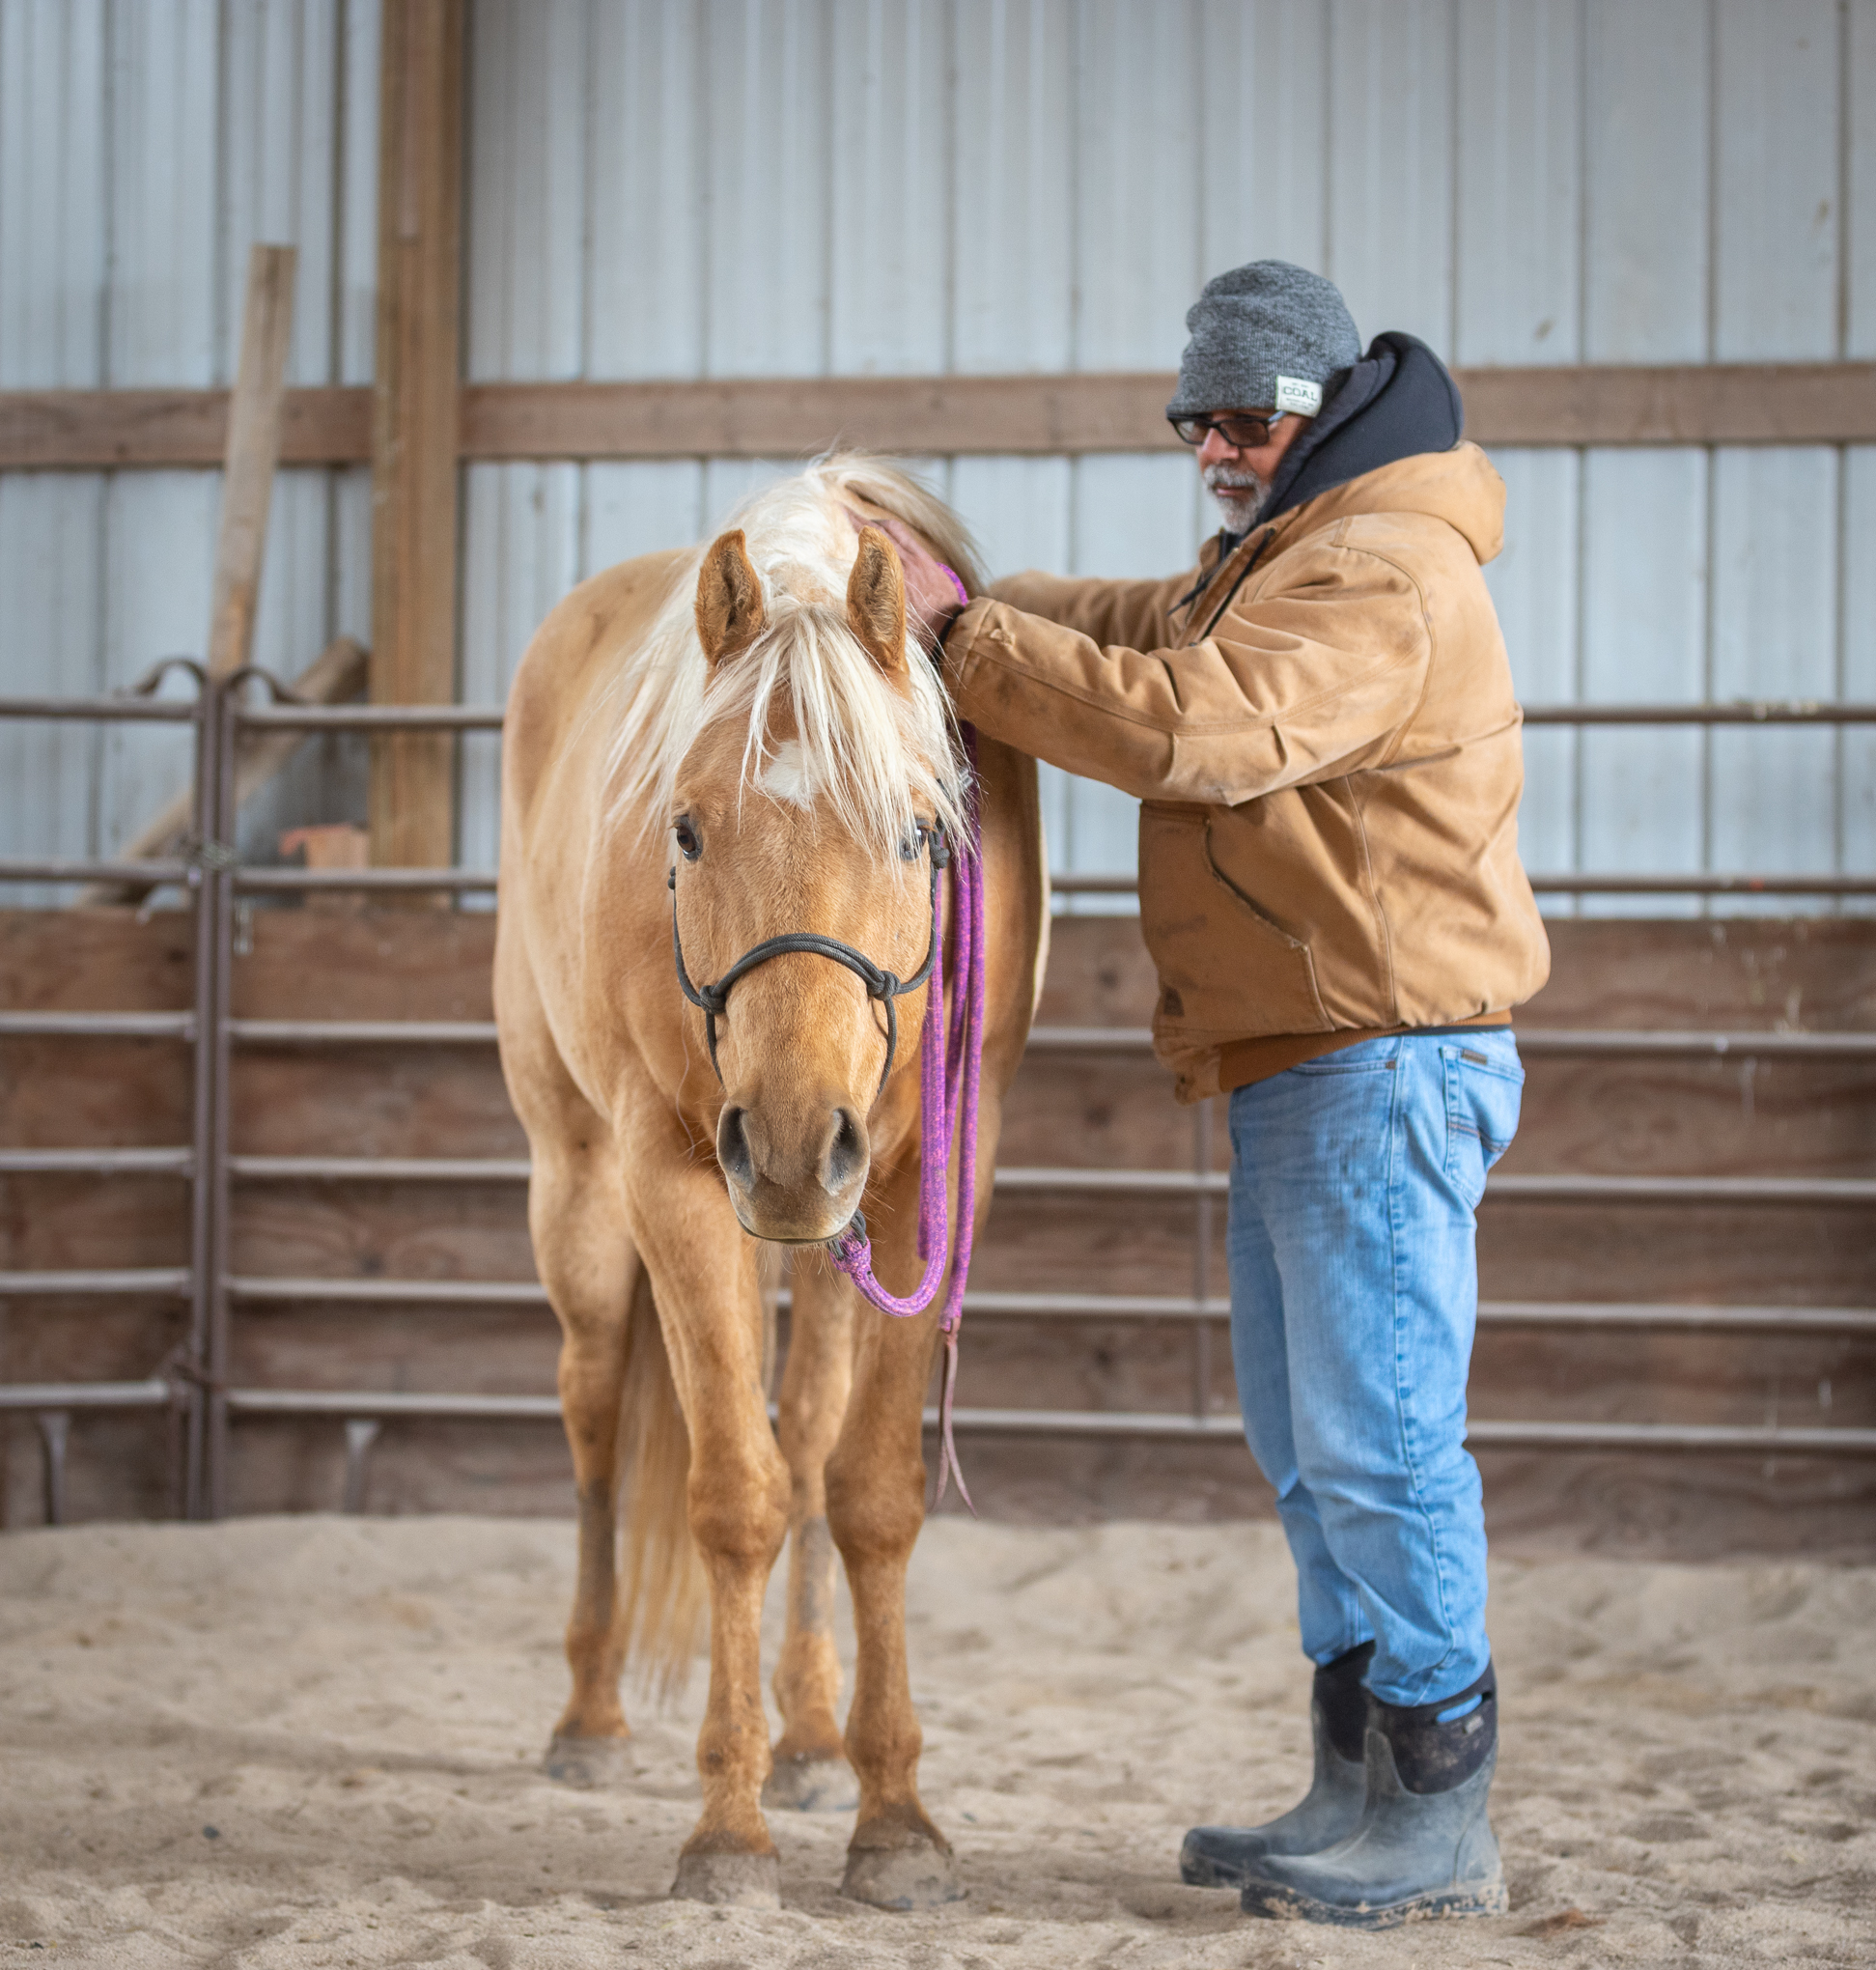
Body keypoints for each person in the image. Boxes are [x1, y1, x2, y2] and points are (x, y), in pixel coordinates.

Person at [923, 261, 1551, 1928]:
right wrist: (974, 589)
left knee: (1385, 1441)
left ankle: (1437, 1820)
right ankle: (1357, 1787)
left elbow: (1203, 721)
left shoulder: (1380, 569)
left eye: (1247, 414)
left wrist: (967, 648)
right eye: (1194, 414)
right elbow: (1147, 625)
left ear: (1322, 406)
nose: (1214, 441)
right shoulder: (1287, 550)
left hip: (1380, 1057)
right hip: (1310, 1057)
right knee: (1312, 1445)